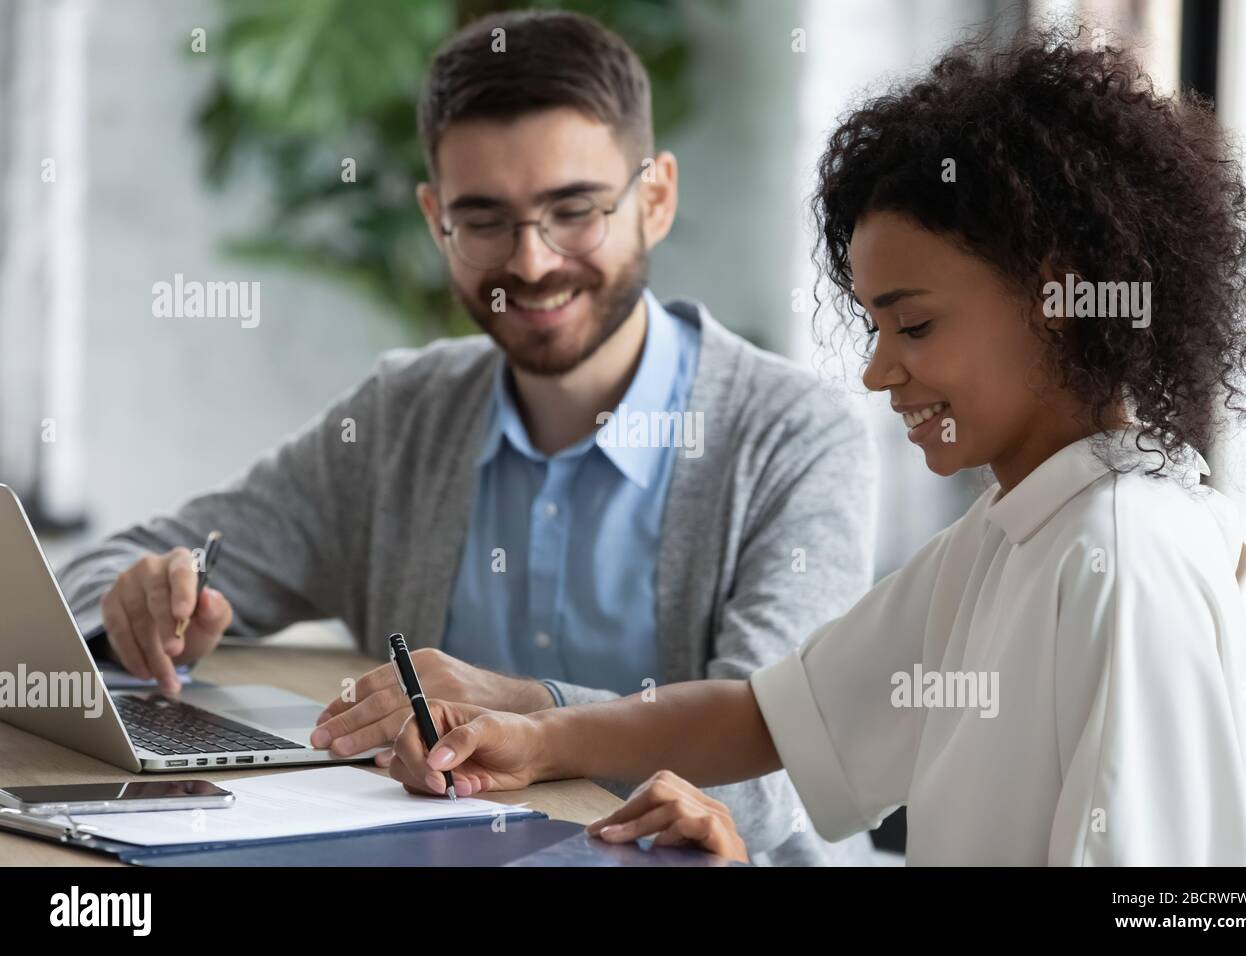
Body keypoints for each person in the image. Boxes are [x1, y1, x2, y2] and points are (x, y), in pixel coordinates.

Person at [386, 26, 1246, 865]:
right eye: (872, 327)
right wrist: (539, 740)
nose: (877, 372)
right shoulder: (1013, 532)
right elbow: (774, 716)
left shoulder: (1117, 555)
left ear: (1058, 299)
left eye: (916, 326)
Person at [57, 10, 879, 866]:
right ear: (434, 219)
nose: (529, 262)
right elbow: (105, 571)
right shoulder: (399, 419)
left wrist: (533, 710)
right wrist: (143, 605)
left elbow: (775, 771)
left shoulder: (793, 437)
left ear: (657, 197)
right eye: (484, 221)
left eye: (574, 210)